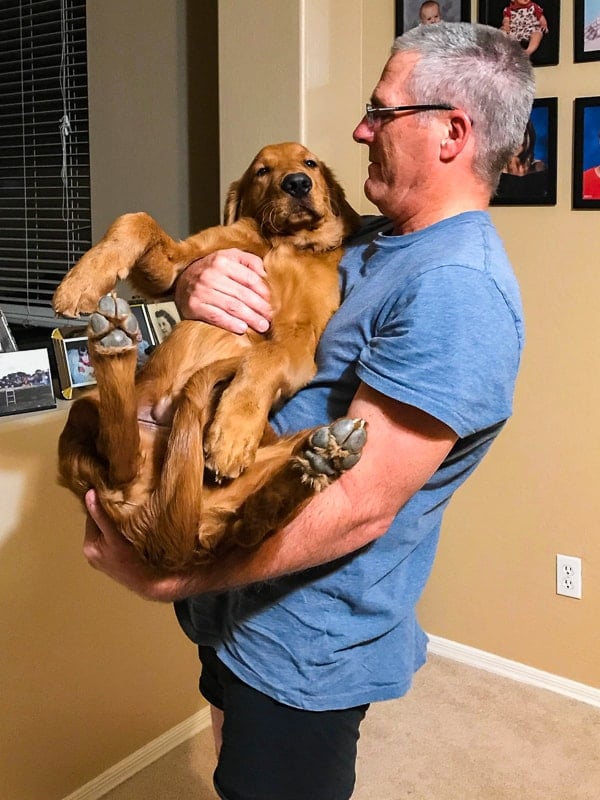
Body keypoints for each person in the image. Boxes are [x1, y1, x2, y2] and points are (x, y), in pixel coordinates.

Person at [83, 22, 534, 800]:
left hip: (303, 641)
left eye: (381, 111)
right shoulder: (365, 244)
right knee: (230, 763)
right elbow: (225, 274)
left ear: (453, 132)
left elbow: (359, 507)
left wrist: (172, 579)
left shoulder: (459, 289)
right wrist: (192, 286)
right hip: (234, 604)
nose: (359, 129)